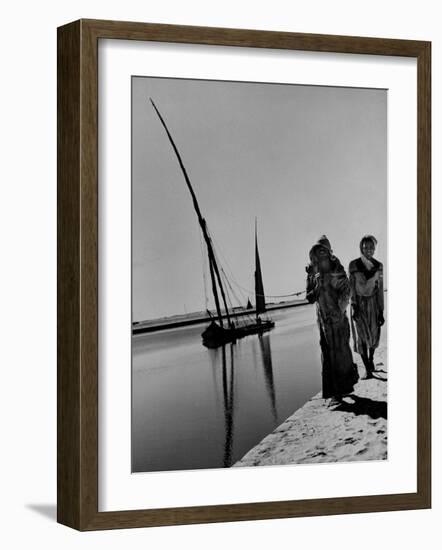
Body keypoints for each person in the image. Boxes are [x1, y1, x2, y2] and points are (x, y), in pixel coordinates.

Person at [306, 236, 359, 403]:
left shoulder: (337, 270)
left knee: (342, 354)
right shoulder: (312, 273)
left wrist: (339, 309)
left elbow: (347, 290)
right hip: (323, 323)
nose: (320, 255)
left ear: (329, 253)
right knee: (328, 356)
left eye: (323, 251)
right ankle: (335, 393)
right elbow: (309, 297)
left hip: (337, 321)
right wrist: (317, 285)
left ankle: (343, 389)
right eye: (317, 252)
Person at [349, 235, 385, 379]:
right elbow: (351, 286)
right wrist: (354, 305)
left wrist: (381, 311)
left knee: (374, 334)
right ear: (361, 248)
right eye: (366, 247)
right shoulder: (353, 265)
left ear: (375, 249)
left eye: (372, 247)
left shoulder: (379, 266)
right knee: (361, 337)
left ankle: (371, 360)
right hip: (359, 304)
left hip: (374, 305)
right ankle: (367, 369)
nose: (369, 250)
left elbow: (380, 288)